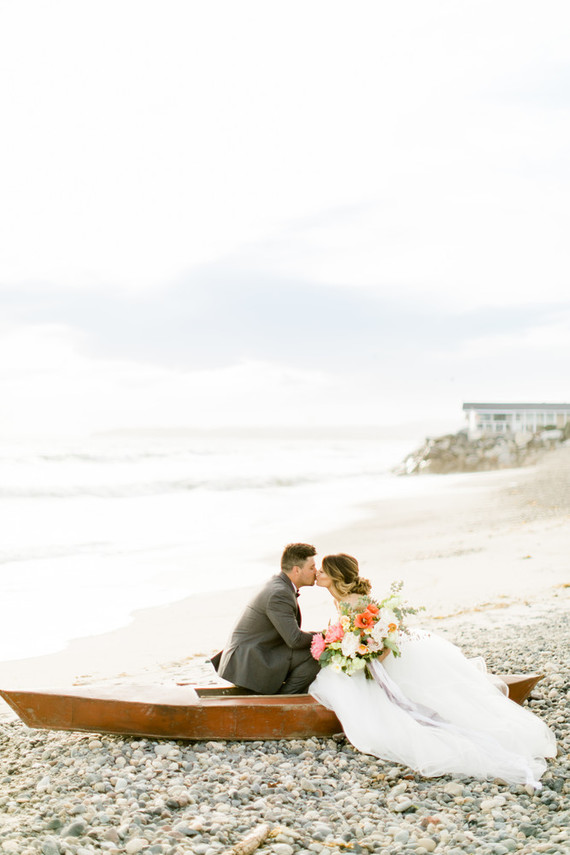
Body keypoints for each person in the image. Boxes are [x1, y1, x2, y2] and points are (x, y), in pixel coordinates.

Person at [310, 553, 557, 787]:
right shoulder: (339, 599)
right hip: (369, 650)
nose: (318, 573)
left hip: (385, 654)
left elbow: (381, 640)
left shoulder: (355, 603)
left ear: (336, 576)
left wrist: (366, 659)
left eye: (323, 570)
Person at [211, 543, 321, 694]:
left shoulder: (279, 584)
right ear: (297, 570)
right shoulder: (279, 593)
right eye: (312, 567)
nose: (316, 571)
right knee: (316, 654)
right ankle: (286, 699)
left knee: (312, 648)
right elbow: (295, 640)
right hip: (249, 662)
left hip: (254, 653)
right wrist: (323, 637)